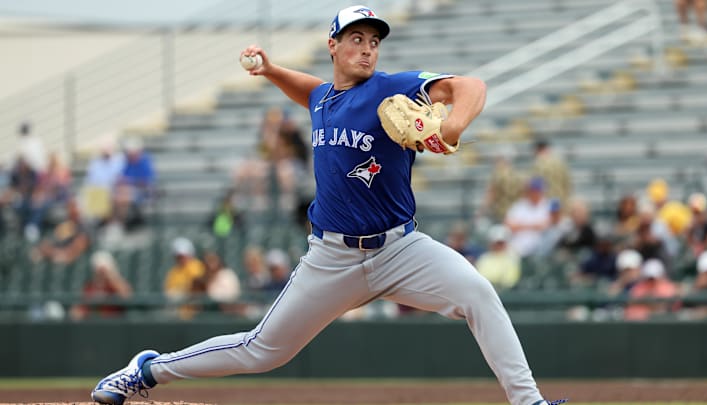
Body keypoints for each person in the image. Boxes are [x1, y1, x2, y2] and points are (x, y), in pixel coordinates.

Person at [91, 6, 565, 405]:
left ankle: (530, 403)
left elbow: (472, 85)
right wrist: (272, 71)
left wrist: (454, 125)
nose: (367, 48)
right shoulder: (323, 100)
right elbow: (310, 90)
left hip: (400, 249)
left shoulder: (390, 88)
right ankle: (149, 370)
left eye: (374, 41)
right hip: (332, 257)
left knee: (479, 294)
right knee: (263, 351)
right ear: (333, 46)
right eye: (355, 38)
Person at [70, 250, 132, 320]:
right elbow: (77, 310)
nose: (101, 273)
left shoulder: (114, 285)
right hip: (92, 324)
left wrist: (110, 276)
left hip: (113, 324)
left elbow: (126, 296)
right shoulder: (89, 287)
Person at [505, 176, 551, 257]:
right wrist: (534, 226)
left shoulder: (547, 205)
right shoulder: (519, 205)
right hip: (518, 247)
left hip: (540, 248)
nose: (536, 193)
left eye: (538, 190)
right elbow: (510, 225)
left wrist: (521, 226)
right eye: (533, 190)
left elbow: (547, 225)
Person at [475, 224, 521, 291]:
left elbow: (510, 280)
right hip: (486, 291)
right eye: (496, 243)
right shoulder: (484, 258)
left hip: (506, 292)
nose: (498, 245)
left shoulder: (512, 258)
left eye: (501, 243)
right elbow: (481, 278)